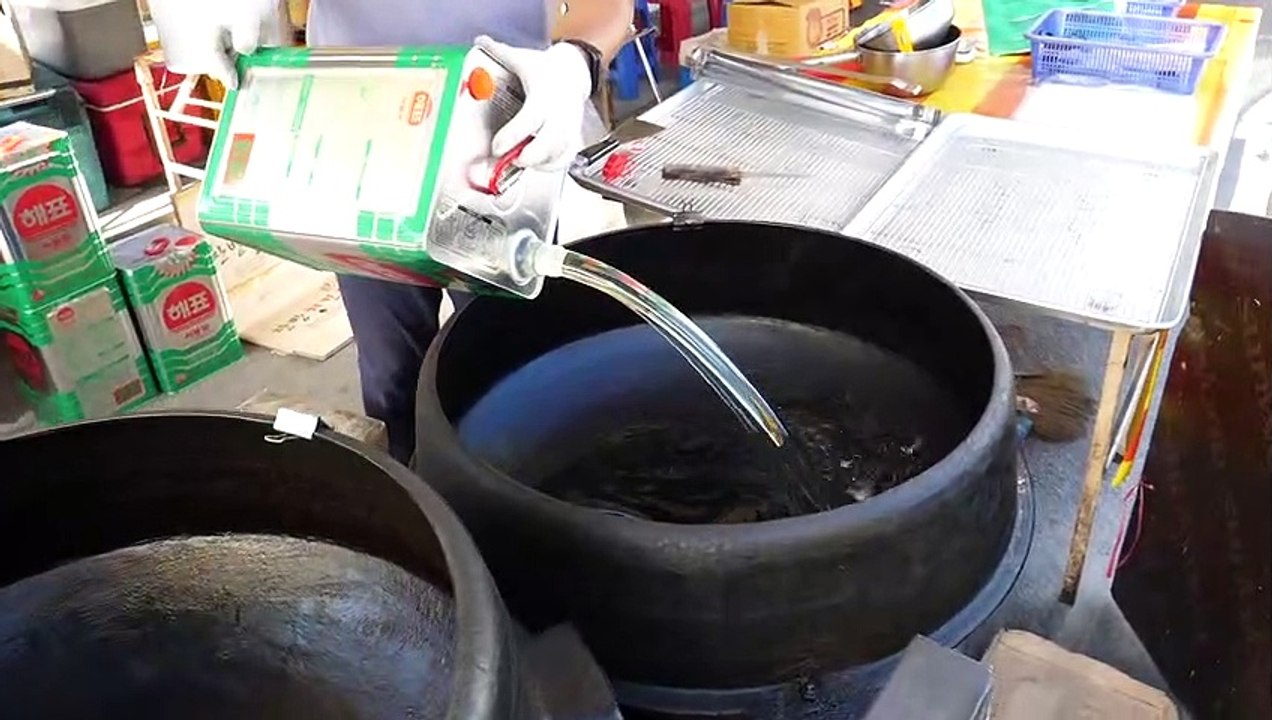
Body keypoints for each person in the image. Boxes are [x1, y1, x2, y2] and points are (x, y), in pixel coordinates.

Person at [155, 0, 634, 462]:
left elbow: (606, 7)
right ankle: (413, 492)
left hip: (500, 137)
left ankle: (510, 491)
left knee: (512, 370)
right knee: (392, 377)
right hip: (358, 136)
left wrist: (574, 64)